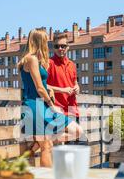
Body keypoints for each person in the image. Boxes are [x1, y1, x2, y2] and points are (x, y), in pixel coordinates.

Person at [19, 29, 84, 167]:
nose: (47, 44)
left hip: (44, 105)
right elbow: (40, 87)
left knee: (77, 131)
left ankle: (34, 146)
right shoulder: (32, 59)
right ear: (38, 41)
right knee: (46, 146)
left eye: (63, 46)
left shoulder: (38, 60)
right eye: (45, 40)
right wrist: (53, 105)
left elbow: (44, 86)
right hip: (35, 105)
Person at [47, 32, 80, 121]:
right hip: (58, 111)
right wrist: (63, 90)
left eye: (63, 46)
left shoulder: (72, 64)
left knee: (77, 134)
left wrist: (77, 87)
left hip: (73, 110)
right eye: (57, 46)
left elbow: (75, 83)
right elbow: (43, 86)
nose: (60, 49)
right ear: (53, 48)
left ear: (68, 47)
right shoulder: (49, 63)